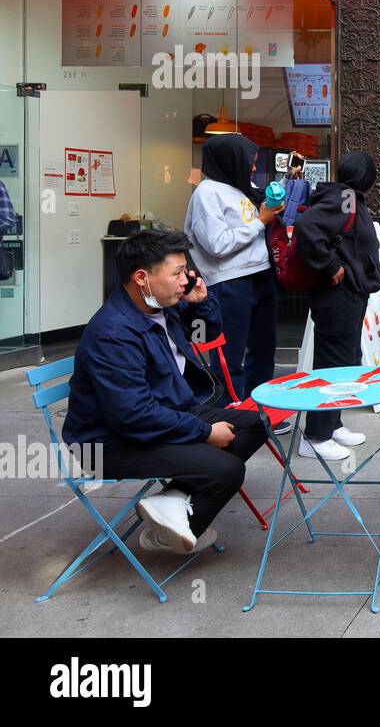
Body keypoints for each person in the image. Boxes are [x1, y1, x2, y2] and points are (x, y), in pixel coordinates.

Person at [63, 228, 269, 553]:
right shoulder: (114, 333)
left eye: (185, 271)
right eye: (176, 273)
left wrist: (202, 303)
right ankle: (165, 536)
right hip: (109, 442)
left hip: (164, 412)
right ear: (142, 277)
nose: (183, 281)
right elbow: (132, 415)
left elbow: (209, 334)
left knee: (254, 423)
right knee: (226, 469)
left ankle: (172, 501)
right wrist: (203, 433)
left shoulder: (160, 306)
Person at [291, 152, 380, 460]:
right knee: (332, 364)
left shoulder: (349, 198)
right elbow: (306, 226)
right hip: (337, 297)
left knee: (343, 361)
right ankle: (315, 436)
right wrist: (330, 266)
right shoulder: (345, 198)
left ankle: (332, 423)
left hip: (348, 296)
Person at [184, 134, 281, 404]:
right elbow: (218, 244)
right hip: (229, 282)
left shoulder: (240, 186)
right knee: (230, 355)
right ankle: (231, 412)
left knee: (263, 349)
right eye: (249, 162)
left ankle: (262, 408)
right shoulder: (207, 193)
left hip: (261, 277)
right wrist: (260, 221)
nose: (253, 168)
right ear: (230, 161)